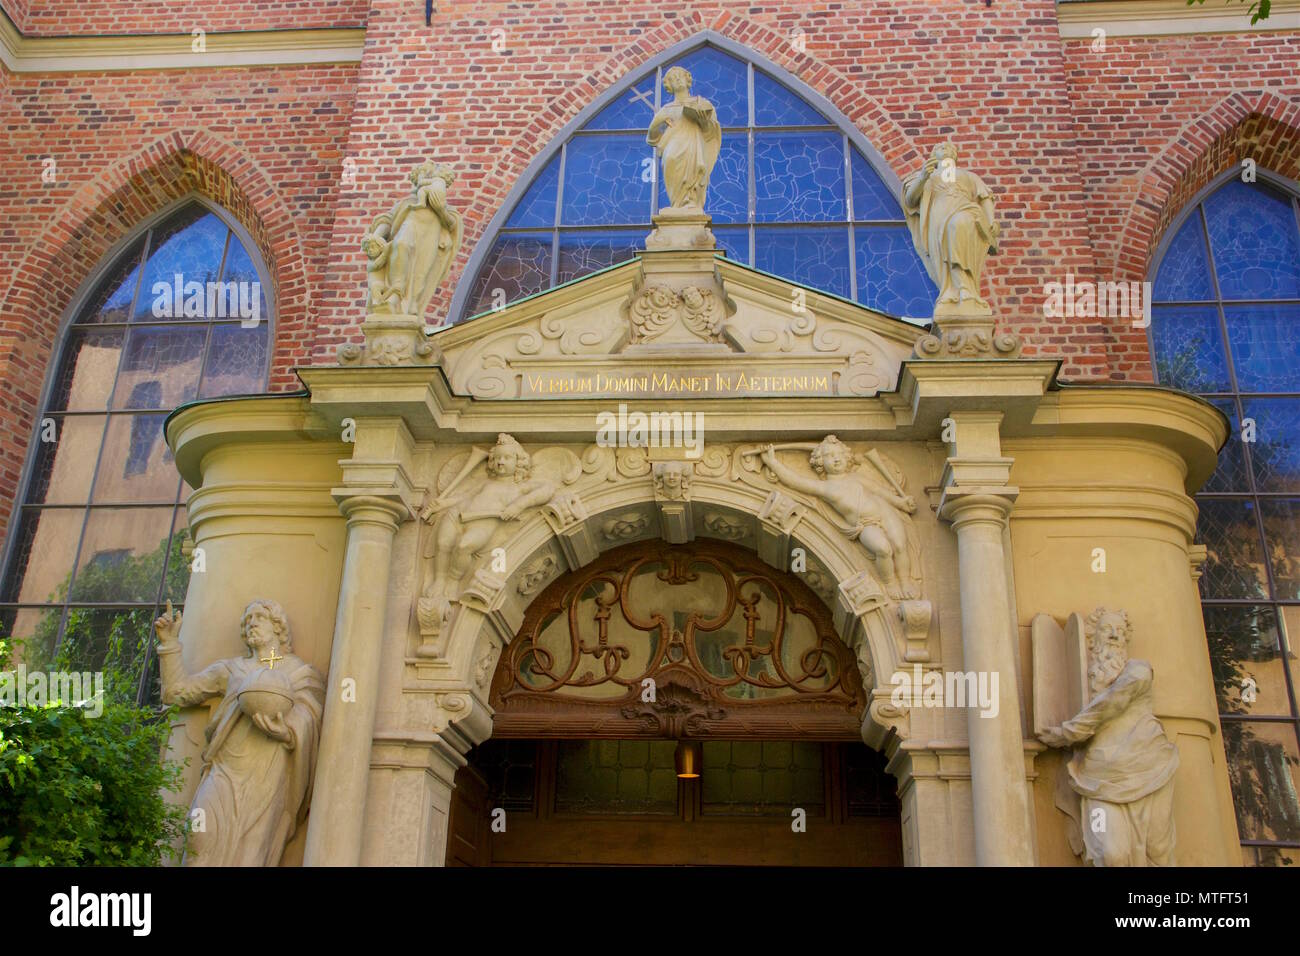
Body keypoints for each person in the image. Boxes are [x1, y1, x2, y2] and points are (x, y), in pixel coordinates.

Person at [154, 598, 324, 866]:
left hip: (267, 775)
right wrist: (169, 644)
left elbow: (310, 716)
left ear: (278, 627)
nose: (251, 623)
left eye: (259, 617)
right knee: (199, 838)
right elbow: (176, 693)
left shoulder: (299, 673)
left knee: (251, 853)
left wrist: (288, 732)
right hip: (224, 769)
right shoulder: (231, 670)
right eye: (247, 620)